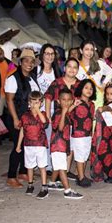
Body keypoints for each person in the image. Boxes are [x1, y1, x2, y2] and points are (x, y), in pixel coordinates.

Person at [5, 49, 41, 188]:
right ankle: (11, 176)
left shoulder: (31, 77)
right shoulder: (12, 78)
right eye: (26, 61)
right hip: (17, 116)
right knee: (17, 146)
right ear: (20, 62)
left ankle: (23, 171)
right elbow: (9, 101)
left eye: (32, 61)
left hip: (28, 117)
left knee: (26, 146)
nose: (29, 64)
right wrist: (15, 119)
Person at [48, 88, 83, 199]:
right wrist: (64, 112)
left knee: (57, 166)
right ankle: (67, 191)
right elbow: (60, 128)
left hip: (61, 144)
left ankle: (52, 183)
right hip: (58, 145)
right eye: (63, 100)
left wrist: (73, 106)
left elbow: (67, 111)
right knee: (62, 167)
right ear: (58, 101)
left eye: (69, 100)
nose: (66, 102)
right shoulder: (59, 113)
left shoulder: (64, 111)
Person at [15, 91, 49, 199]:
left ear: (41, 103)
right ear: (29, 102)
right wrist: (18, 145)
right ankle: (30, 184)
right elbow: (22, 130)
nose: (36, 103)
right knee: (29, 166)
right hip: (28, 144)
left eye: (38, 101)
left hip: (40, 144)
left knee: (42, 166)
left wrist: (38, 110)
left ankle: (44, 187)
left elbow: (44, 123)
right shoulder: (25, 116)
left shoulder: (42, 114)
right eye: (33, 101)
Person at [90, 83, 112, 183]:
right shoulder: (109, 104)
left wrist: (103, 109)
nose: (109, 96)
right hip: (107, 132)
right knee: (110, 154)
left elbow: (110, 109)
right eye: (107, 94)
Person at [36, 44, 62, 172]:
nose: (49, 56)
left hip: (53, 110)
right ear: (42, 55)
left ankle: (49, 166)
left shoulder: (57, 72)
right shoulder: (36, 71)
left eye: (52, 54)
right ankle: (39, 164)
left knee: (50, 137)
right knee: (39, 138)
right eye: (47, 53)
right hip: (39, 110)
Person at [70, 79, 96, 188]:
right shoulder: (76, 101)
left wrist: (92, 134)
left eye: (91, 88)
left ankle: (82, 175)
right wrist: (73, 106)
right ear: (80, 89)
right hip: (78, 134)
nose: (89, 90)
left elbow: (91, 120)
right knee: (80, 155)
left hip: (88, 134)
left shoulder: (91, 104)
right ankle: (80, 177)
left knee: (85, 155)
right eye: (86, 87)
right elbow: (66, 113)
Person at [77, 40, 112, 108]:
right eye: (86, 49)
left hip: (97, 99)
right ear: (81, 51)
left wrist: (104, 84)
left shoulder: (99, 63)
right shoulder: (77, 67)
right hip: (83, 100)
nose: (89, 52)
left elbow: (111, 72)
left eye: (91, 50)